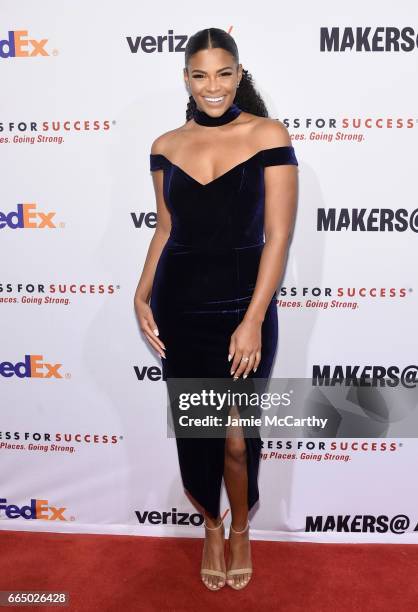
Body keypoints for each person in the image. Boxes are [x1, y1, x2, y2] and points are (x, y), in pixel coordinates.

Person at [134, 27, 298, 591]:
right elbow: (165, 227)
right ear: (186, 78)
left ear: (239, 75)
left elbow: (278, 236)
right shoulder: (164, 145)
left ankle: (243, 526)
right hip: (180, 301)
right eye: (200, 75)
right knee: (196, 431)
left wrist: (253, 318)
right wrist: (140, 291)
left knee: (235, 435)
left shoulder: (268, 134)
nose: (213, 87)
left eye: (223, 74)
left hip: (242, 304)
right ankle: (210, 524)